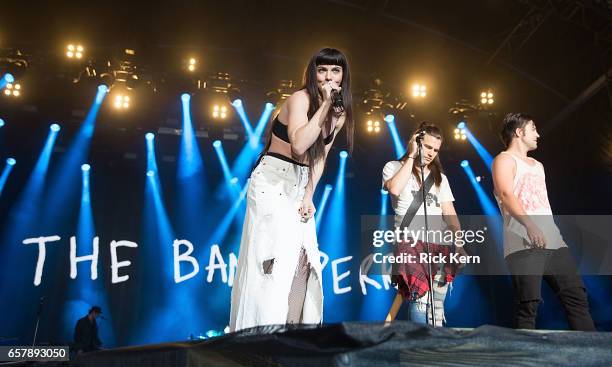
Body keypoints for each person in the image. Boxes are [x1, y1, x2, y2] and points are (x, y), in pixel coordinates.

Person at [230, 48, 354, 331]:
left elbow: (319, 156)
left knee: (304, 257)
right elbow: (299, 145)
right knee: (273, 259)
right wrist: (322, 106)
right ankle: (261, 335)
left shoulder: (340, 112)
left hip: (299, 183)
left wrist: (309, 194)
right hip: (272, 180)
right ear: (313, 73)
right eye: (322, 70)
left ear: (343, 75)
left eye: (335, 71)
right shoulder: (300, 99)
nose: (328, 77)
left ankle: (293, 331)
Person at [492, 113, 595, 330]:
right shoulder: (503, 160)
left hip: (554, 241)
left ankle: (592, 356)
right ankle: (522, 362)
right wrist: (530, 225)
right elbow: (506, 193)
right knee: (528, 306)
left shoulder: (538, 165)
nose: (538, 134)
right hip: (523, 243)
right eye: (533, 129)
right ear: (519, 132)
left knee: (576, 297)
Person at [382, 122, 461, 326]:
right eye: (427, 147)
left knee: (437, 303)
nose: (431, 153)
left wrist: (459, 244)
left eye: (436, 150)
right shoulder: (394, 167)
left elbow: (449, 212)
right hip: (410, 241)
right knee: (419, 299)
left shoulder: (440, 178)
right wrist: (411, 155)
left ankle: (433, 350)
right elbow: (395, 190)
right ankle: (418, 346)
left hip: (439, 243)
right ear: (416, 142)